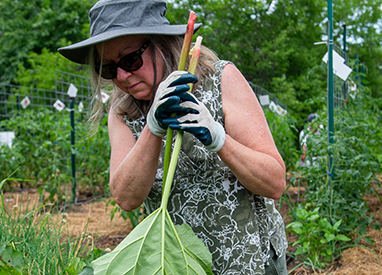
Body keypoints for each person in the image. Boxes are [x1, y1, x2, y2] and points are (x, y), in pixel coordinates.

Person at [58, 0, 287, 274]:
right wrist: (152, 129)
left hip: (249, 260)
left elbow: (275, 183)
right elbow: (126, 197)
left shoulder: (218, 80)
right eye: (107, 68)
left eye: (131, 60)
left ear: (162, 44)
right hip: (175, 263)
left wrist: (219, 139)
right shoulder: (123, 111)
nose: (121, 76)